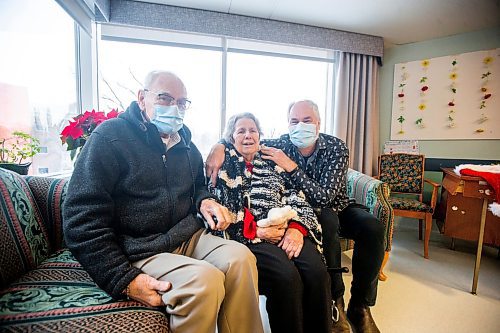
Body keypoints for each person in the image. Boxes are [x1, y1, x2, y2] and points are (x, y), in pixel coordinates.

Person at [63, 71, 264, 333]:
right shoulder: (109, 138)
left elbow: (199, 186)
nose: (174, 108)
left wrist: (204, 201)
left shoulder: (186, 145)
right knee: (204, 281)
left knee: (240, 257)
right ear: (142, 98)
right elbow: (81, 217)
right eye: (165, 98)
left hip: (186, 237)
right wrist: (122, 278)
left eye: (181, 103)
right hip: (139, 247)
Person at [206, 100, 385, 333]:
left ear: (318, 123)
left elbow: (312, 197)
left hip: (329, 207)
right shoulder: (237, 160)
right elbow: (221, 206)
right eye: (294, 121)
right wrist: (218, 146)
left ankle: (355, 307)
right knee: (288, 277)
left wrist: (297, 228)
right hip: (256, 231)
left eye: (307, 121)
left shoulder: (329, 148)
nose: (300, 126)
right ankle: (332, 303)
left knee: (323, 265)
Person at [209, 112, 332, 333]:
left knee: (316, 271)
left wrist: (296, 228)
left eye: (253, 130)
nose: (248, 135)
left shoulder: (270, 162)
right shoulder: (221, 165)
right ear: (230, 138)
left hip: (286, 230)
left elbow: (295, 196)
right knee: (286, 277)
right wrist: (256, 231)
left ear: (260, 136)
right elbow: (220, 214)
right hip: (249, 239)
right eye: (241, 131)